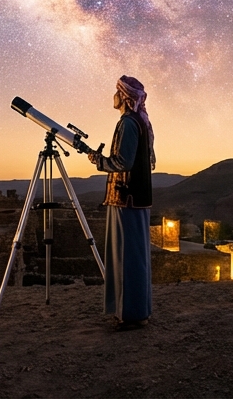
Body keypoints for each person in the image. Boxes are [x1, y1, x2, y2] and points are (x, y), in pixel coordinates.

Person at [87, 75, 155, 329]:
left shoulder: (128, 123)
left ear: (125, 97)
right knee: (134, 256)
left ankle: (131, 315)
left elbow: (123, 162)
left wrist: (99, 161)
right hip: (135, 199)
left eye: (116, 92)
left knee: (127, 257)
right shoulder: (140, 122)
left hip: (126, 198)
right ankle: (135, 311)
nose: (113, 96)